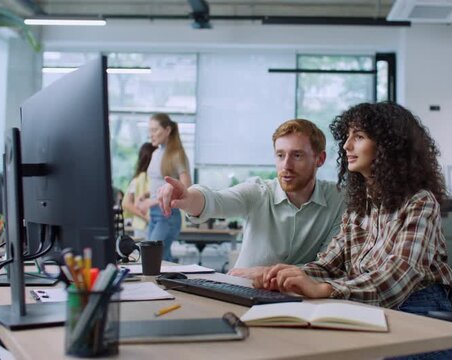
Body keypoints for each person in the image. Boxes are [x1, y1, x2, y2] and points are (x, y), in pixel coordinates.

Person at [258, 103, 452, 360]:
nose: (346, 146)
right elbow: (330, 265)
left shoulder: (420, 201)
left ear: (388, 146)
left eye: (359, 137)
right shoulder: (360, 205)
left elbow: (396, 277)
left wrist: (326, 290)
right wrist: (287, 275)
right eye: (347, 136)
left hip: (420, 317)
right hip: (370, 310)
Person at [157, 119, 346, 279]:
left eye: (297, 155)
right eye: (280, 155)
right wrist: (188, 197)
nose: (286, 165)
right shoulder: (259, 192)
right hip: (243, 290)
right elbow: (217, 200)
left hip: (302, 299)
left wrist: (266, 273)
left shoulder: (338, 199)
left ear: (319, 159)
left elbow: (328, 264)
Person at [138, 113, 191, 262]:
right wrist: (147, 195)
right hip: (154, 214)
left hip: (167, 216)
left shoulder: (176, 154)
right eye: (150, 130)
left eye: (155, 130)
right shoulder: (155, 153)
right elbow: (160, 184)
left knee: (153, 259)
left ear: (167, 130)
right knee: (159, 258)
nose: (151, 135)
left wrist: (153, 201)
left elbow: (185, 187)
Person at [122, 142, 156, 240]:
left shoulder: (153, 178)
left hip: (146, 224)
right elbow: (127, 204)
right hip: (143, 226)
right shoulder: (138, 180)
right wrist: (146, 217)